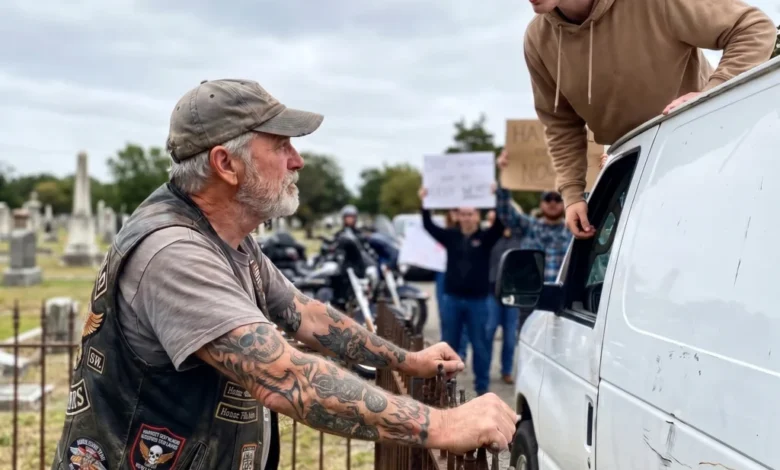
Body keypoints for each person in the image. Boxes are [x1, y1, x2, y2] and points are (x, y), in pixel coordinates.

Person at [51, 79, 518, 470]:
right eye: (280, 145)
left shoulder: (228, 235)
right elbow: (283, 377)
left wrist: (407, 361)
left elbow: (307, 316)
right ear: (225, 164)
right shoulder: (173, 252)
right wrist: (443, 424)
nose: (297, 160)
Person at [523, 0, 776, 238]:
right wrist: (572, 194)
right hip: (633, 177)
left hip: (710, 156)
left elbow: (753, 28)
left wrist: (711, 94)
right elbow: (560, 123)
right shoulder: (536, 39)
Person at [419, 189, 504, 395]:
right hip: (453, 300)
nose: (467, 218)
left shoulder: (486, 237)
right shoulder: (451, 236)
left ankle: (482, 388)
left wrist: (497, 196)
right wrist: (425, 202)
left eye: (470, 214)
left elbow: (501, 225)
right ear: (458, 216)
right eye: (463, 214)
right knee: (449, 344)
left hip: (479, 302)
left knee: (481, 345)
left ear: (477, 216)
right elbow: (428, 226)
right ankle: (444, 387)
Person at [495, 151, 572, 283]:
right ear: (541, 204)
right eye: (548, 198)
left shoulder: (574, 230)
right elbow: (506, 212)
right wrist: (504, 174)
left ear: (565, 202)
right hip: (533, 293)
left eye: (557, 198)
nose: (552, 203)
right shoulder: (529, 227)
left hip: (565, 294)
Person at [486, 214, 524, 385]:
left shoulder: (519, 238)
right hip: (492, 292)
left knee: (509, 336)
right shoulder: (491, 237)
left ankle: (506, 371)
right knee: (488, 332)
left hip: (512, 293)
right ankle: (484, 369)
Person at [434, 209, 469, 361]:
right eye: (453, 211)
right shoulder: (443, 230)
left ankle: (460, 352)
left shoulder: (466, 232)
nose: (455, 214)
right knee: (445, 314)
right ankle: (445, 349)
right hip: (442, 273)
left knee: (462, 315)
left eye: (457, 211)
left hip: (459, 275)